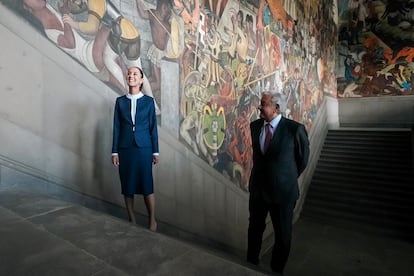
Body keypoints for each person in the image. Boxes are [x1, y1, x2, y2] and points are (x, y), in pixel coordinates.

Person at [246, 92, 309, 274]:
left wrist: (284, 177)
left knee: (282, 235)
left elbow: (303, 159)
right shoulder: (255, 126)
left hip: (282, 193)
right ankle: (250, 265)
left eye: (263, 104)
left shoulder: (294, 129)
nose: (259, 107)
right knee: (254, 229)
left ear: (276, 108)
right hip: (258, 190)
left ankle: (276, 270)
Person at [111, 66, 160, 232]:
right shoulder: (120, 102)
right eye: (129, 73)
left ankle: (152, 220)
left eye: (135, 74)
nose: (131, 75)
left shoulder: (148, 102)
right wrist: (114, 151)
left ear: (141, 80)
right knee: (128, 185)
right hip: (125, 149)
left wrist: (155, 151)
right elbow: (116, 128)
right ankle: (131, 219)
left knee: (147, 184)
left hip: (144, 148)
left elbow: (153, 128)